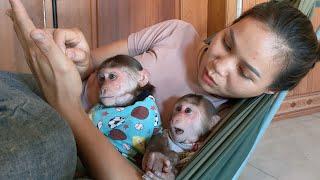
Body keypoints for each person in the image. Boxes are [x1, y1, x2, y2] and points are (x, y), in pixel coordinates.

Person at [2, 0, 319, 179]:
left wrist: (68, 108)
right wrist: (78, 54)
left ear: (269, 90)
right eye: (227, 41)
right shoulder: (177, 33)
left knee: (46, 148)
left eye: (244, 72)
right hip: (46, 95)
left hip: (70, 129)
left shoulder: (217, 124)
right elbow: (92, 67)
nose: (219, 64)